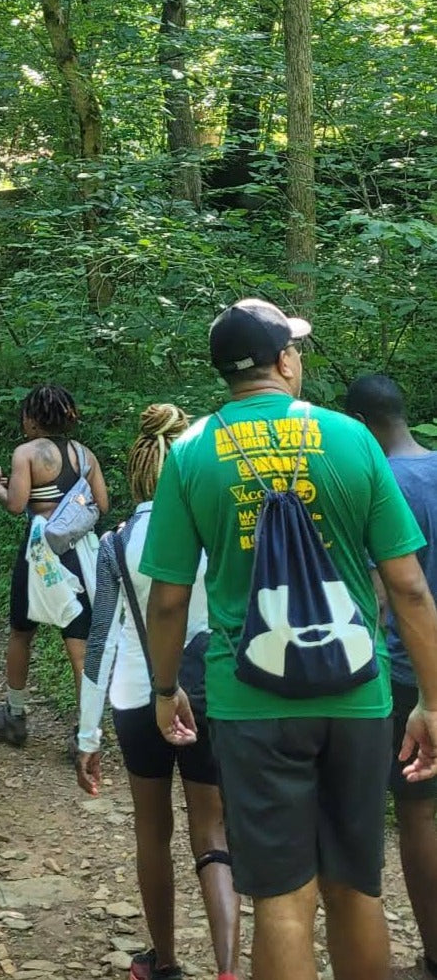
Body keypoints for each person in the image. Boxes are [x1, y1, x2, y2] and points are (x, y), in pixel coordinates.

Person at [141, 298, 437, 980]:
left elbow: (168, 599)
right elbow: (410, 587)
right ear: (283, 360)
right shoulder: (352, 439)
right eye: (295, 349)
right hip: (357, 697)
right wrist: (431, 699)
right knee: (357, 889)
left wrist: (164, 690)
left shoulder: (190, 455)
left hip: (250, 701)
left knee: (280, 896)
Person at [76, 404, 239, 980]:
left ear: (139, 471)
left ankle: (164, 961)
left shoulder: (117, 542)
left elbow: (99, 642)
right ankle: (226, 968)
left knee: (152, 829)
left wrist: (86, 734)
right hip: (208, 689)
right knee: (211, 831)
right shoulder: (217, 531)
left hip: (136, 694)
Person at [345, 373, 437, 980]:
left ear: (362, 425)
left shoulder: (380, 484)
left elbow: (385, 591)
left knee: (418, 812)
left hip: (411, 674)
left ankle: (435, 951)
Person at [0, 384, 109, 748]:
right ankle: (86, 732)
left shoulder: (25, 453)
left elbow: (16, 504)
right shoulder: (85, 455)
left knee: (22, 630)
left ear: (34, 419)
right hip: (76, 552)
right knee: (79, 641)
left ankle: (15, 714)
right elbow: (101, 503)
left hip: (39, 553)